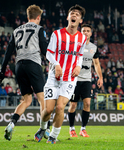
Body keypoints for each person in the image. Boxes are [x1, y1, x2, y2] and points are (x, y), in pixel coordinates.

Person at [34, 4, 86, 144]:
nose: (74, 15)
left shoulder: (82, 38)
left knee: (60, 107)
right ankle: (42, 128)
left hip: (69, 79)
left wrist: (79, 66)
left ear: (80, 20)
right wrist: (56, 64)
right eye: (72, 13)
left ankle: (53, 136)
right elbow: (49, 53)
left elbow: (80, 55)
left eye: (77, 14)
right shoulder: (57, 34)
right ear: (68, 17)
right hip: (54, 77)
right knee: (48, 110)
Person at [0, 4, 47, 141]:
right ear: (38, 17)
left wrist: (2, 71)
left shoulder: (17, 30)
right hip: (33, 64)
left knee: (27, 100)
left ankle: (12, 123)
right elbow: (44, 49)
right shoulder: (39, 29)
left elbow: (8, 52)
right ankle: (45, 129)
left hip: (19, 66)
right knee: (43, 99)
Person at [68, 24, 103, 137]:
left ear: (91, 33)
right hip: (74, 79)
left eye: (88, 31)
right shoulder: (74, 45)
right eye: (84, 31)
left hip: (87, 80)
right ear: (80, 32)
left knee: (87, 103)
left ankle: (83, 129)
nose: (86, 32)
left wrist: (100, 77)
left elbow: (96, 64)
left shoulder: (93, 47)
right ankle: (71, 128)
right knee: (73, 105)